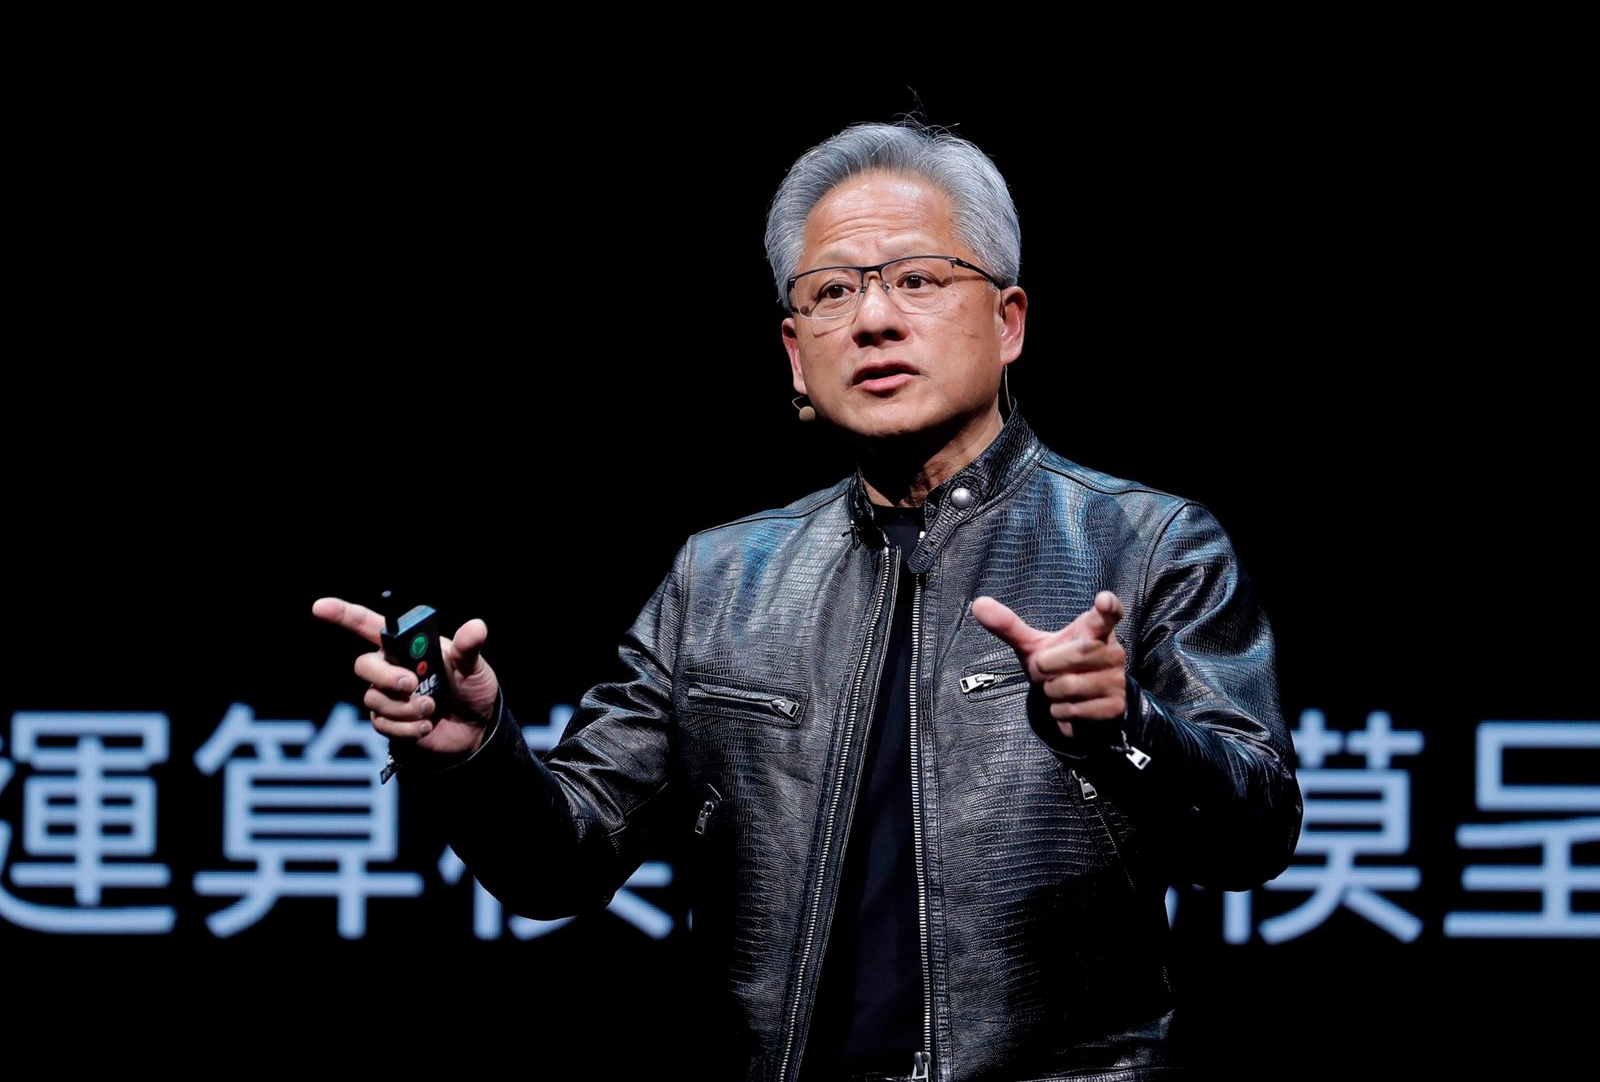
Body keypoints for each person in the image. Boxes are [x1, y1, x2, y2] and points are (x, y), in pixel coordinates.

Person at [314, 119, 1302, 1081]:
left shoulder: (1146, 543)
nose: (873, 319)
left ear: (1009, 323)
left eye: (917, 279)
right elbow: (560, 864)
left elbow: (1255, 833)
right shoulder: (719, 579)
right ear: (796, 354)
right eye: (832, 293)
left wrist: (1123, 727)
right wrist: (477, 758)